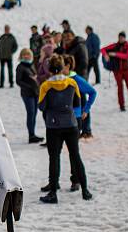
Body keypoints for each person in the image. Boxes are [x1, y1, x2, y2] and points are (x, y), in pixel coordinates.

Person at [38, 55, 90, 203]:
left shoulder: (45, 86)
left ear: (49, 69)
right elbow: (77, 103)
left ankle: (53, 193)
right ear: (62, 68)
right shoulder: (72, 82)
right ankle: (85, 190)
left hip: (53, 125)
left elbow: (41, 106)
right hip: (71, 124)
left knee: (54, 158)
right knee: (75, 156)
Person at [62, 55, 96, 140]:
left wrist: (86, 109)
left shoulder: (77, 79)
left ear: (67, 66)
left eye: (60, 66)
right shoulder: (58, 79)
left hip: (75, 118)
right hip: (62, 118)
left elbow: (93, 92)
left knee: (73, 148)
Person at [15, 49, 42, 143]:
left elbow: (35, 76)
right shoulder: (20, 67)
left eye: (28, 54)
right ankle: (31, 135)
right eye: (24, 54)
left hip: (35, 93)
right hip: (27, 94)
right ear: (21, 56)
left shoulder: (31, 65)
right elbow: (18, 81)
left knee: (34, 114)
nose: (26, 56)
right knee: (30, 113)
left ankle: (33, 134)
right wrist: (29, 86)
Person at [101, 31, 128, 111]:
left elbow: (126, 56)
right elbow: (102, 49)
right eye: (120, 37)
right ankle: (122, 106)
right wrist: (106, 55)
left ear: (125, 38)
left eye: (122, 37)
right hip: (117, 71)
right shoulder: (115, 45)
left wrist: (115, 54)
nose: (121, 39)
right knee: (120, 88)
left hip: (126, 70)